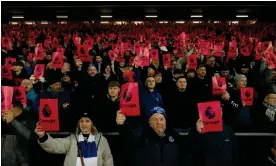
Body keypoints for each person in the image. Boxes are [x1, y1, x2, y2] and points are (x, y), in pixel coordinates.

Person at [116, 107, 190, 166]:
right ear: (149, 122)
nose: (159, 122)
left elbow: (186, 154)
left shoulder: (175, 136)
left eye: (162, 119)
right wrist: (123, 125)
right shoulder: (142, 135)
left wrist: (198, 131)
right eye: (155, 119)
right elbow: (129, 138)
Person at [35, 112, 114, 166]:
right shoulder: (72, 139)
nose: (84, 124)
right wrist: (43, 136)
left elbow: (108, 160)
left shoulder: (101, 140)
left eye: (87, 121)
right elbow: (55, 146)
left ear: (92, 124)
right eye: (81, 121)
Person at [1, 102, 38, 166]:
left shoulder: (29, 116)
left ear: (11, 107)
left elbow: (30, 136)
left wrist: (13, 121)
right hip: (5, 160)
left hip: (24, 160)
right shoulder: (3, 118)